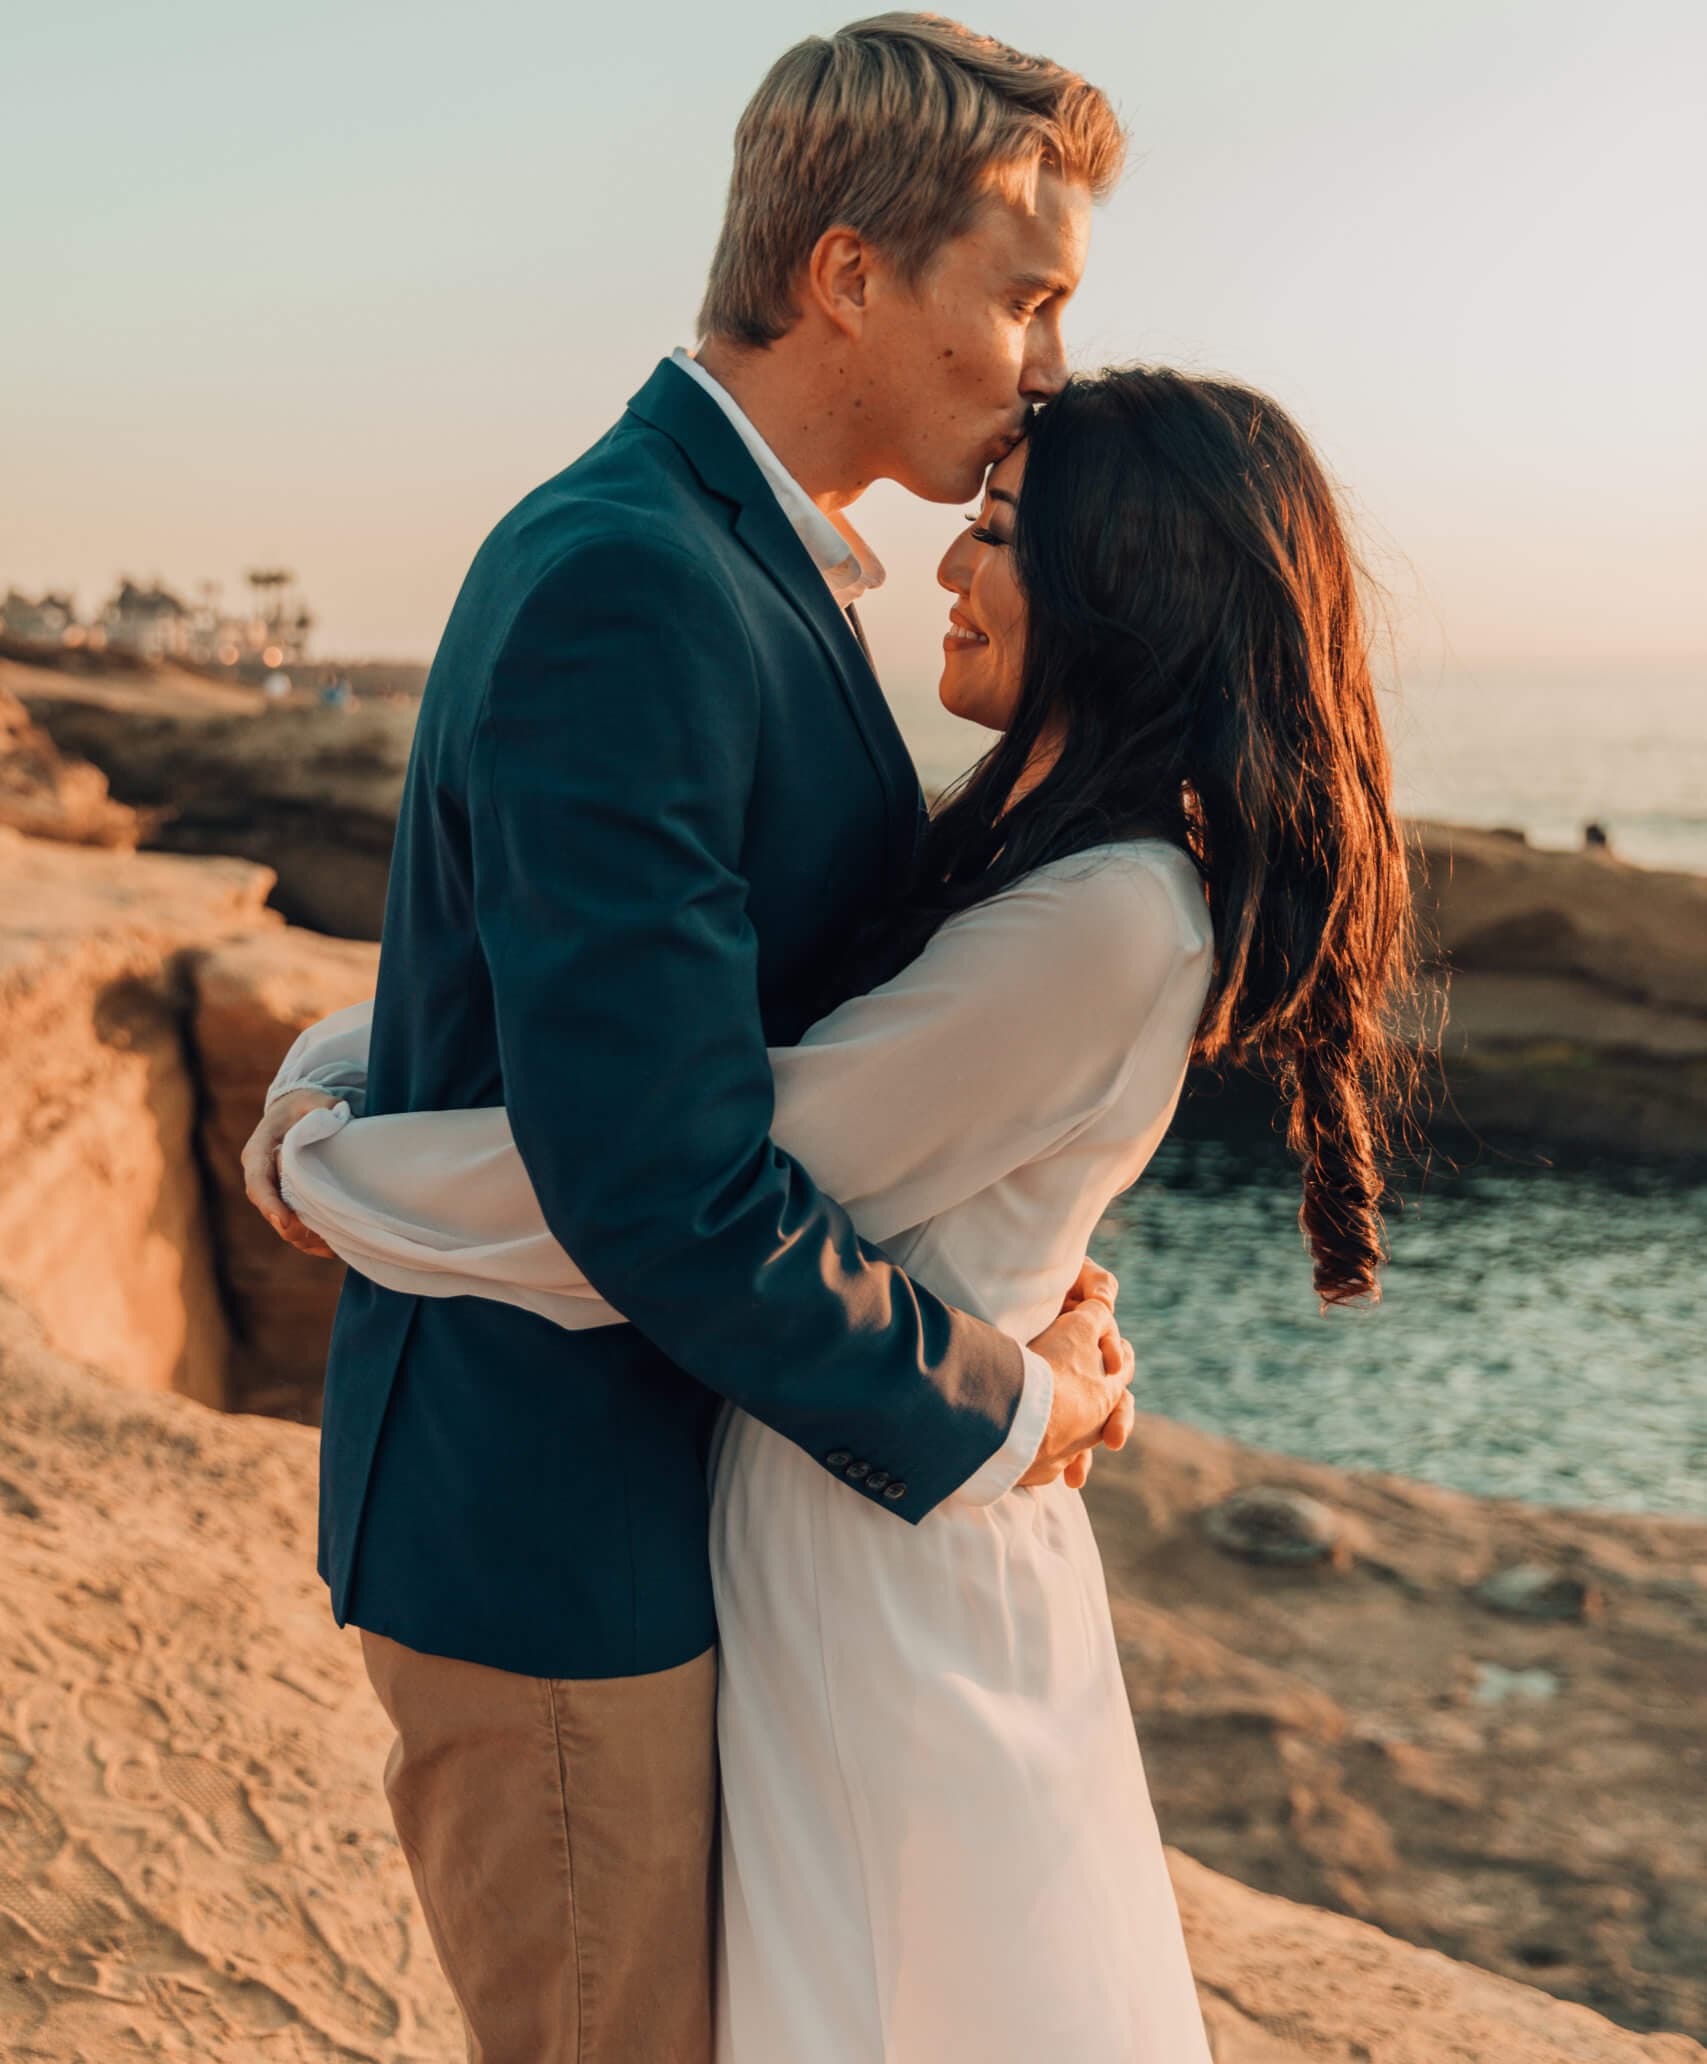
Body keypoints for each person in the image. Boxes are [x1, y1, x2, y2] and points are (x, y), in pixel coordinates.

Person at [252, 362, 1416, 2060]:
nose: (948, 563)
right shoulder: (1032, 851)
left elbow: (682, 1167)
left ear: (1129, 580)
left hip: (885, 1573)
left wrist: (342, 1169)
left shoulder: (1108, 912)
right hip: (825, 1527)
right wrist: (353, 1064)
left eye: (1004, 534)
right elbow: (682, 1045)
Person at [242, 14, 1143, 2064]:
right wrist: (995, 1404)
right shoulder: (632, 579)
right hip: (552, 1531)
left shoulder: (752, 570)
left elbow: (636, 999)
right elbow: (651, 1161)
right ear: (847, 271)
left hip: (655, 1506)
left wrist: (995, 1237)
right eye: (1025, 294)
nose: (1046, 363)